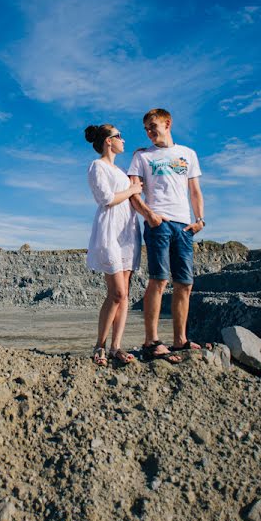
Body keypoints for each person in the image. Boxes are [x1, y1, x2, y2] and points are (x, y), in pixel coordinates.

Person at [127, 108, 208, 363]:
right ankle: (151, 341)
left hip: (184, 226)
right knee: (159, 280)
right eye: (146, 129)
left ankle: (180, 340)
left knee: (184, 284)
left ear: (167, 123)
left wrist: (200, 220)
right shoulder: (142, 156)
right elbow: (133, 191)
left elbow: (194, 190)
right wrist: (149, 215)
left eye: (153, 126)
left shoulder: (188, 154)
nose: (150, 132)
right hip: (158, 223)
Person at [84, 123, 143, 366]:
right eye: (119, 136)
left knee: (125, 293)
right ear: (109, 141)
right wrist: (132, 190)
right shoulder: (98, 166)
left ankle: (116, 346)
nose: (123, 140)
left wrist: (133, 189)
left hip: (128, 232)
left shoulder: (120, 170)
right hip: (109, 232)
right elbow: (106, 199)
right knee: (116, 292)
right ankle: (100, 345)